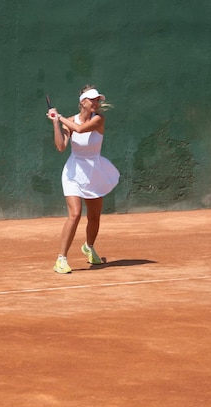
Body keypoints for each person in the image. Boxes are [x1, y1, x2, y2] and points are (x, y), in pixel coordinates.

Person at [46, 85, 119, 274]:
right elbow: (61, 146)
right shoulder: (68, 121)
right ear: (83, 102)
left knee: (94, 217)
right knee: (75, 214)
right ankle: (61, 259)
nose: (96, 103)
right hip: (73, 171)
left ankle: (89, 246)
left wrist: (59, 117)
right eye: (93, 99)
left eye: (98, 100)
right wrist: (56, 122)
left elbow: (79, 129)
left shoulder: (98, 120)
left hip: (94, 171)